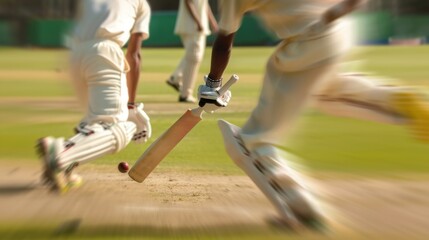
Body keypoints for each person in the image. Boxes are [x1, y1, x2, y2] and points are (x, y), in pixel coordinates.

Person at [197, 0, 429, 227]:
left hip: (307, 42)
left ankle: (303, 207)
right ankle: (399, 101)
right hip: (337, 32)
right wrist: (335, 12)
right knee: (331, 94)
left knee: (256, 140)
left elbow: (225, 39)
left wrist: (213, 84)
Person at [36, 0, 152, 193]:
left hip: (75, 56)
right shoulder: (140, 3)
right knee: (119, 128)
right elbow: (134, 54)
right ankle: (60, 152)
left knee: (94, 124)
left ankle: (67, 168)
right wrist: (130, 104)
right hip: (105, 53)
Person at [166, 0, 218, 103]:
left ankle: (176, 77)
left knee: (193, 56)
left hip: (196, 25)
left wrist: (212, 22)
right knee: (194, 57)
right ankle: (185, 94)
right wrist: (198, 21)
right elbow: (188, 2)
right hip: (192, 26)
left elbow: (204, 4)